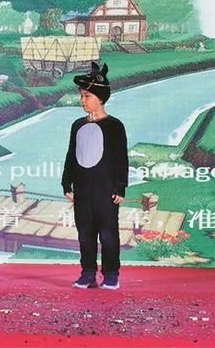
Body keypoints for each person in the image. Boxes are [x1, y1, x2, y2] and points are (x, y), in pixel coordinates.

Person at [61, 61, 128, 290]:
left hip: (106, 190)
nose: (83, 100)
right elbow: (72, 154)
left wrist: (120, 186)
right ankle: (88, 272)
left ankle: (111, 273)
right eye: (81, 96)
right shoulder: (77, 125)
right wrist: (66, 183)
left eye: (87, 96)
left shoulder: (114, 126)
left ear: (101, 97)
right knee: (85, 233)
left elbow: (121, 158)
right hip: (83, 189)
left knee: (108, 233)